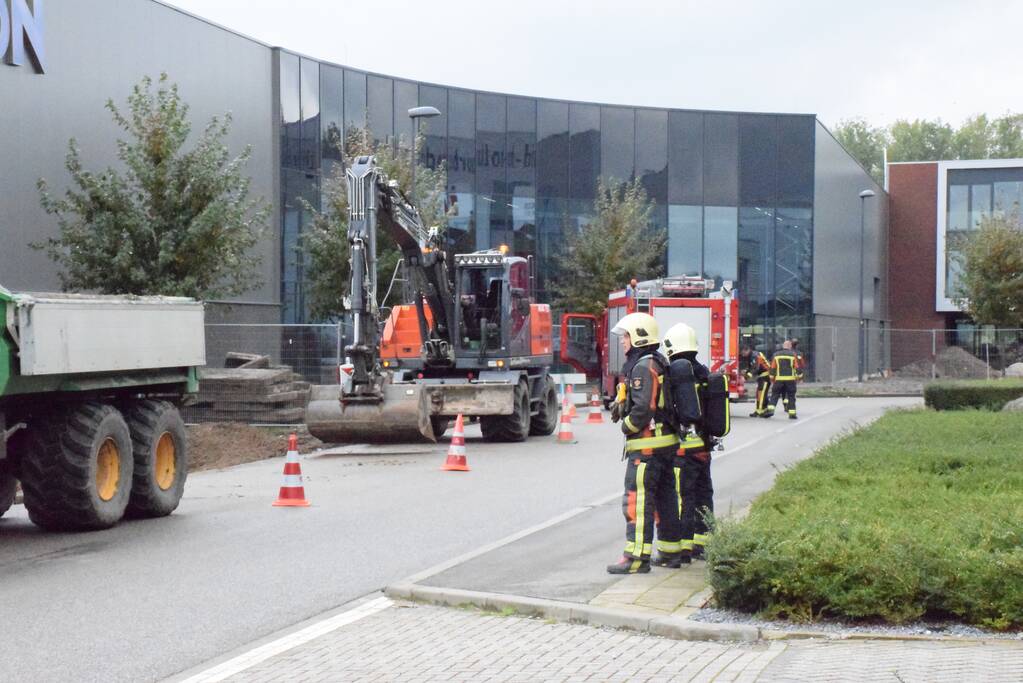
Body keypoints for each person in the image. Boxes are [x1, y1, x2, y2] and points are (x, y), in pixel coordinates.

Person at [606, 312, 682, 574]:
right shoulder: (658, 362)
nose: (622, 342)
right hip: (666, 443)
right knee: (665, 498)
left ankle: (636, 558)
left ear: (639, 337)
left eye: (626, 336)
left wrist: (626, 428)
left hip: (647, 446)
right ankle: (672, 551)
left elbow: (643, 409)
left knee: (637, 500)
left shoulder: (642, 367)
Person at [658, 322, 715, 564]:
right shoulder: (704, 372)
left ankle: (682, 548)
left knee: (684, 498)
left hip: (683, 449)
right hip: (704, 446)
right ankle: (704, 545)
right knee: (704, 495)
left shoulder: (677, 375)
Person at [766, 339, 802, 419]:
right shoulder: (793, 355)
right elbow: (797, 367)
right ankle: (792, 413)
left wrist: (772, 378)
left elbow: (773, 368)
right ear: (790, 346)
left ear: (783, 346)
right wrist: (799, 377)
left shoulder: (776, 355)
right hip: (790, 380)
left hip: (779, 380)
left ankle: (770, 410)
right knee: (791, 396)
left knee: (774, 395)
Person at [741, 344, 772, 418]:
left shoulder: (754, 356)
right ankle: (764, 409)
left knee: (761, 394)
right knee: (760, 394)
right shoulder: (751, 356)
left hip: (765, 376)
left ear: (747, 350)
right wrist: (746, 372)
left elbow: (755, 369)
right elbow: (751, 367)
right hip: (763, 376)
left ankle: (759, 411)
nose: (743, 355)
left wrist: (745, 377)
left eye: (743, 353)